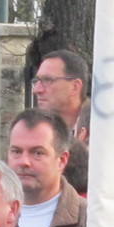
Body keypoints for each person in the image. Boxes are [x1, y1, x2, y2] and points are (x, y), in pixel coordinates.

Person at [7, 108, 86, 227]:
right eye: (16, 151)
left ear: (62, 160)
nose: (24, 162)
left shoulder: (89, 222)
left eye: (38, 153)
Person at [29, 50, 91, 193]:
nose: (37, 90)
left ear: (75, 86)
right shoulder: (37, 128)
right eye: (37, 81)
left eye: (47, 80)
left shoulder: (103, 126)